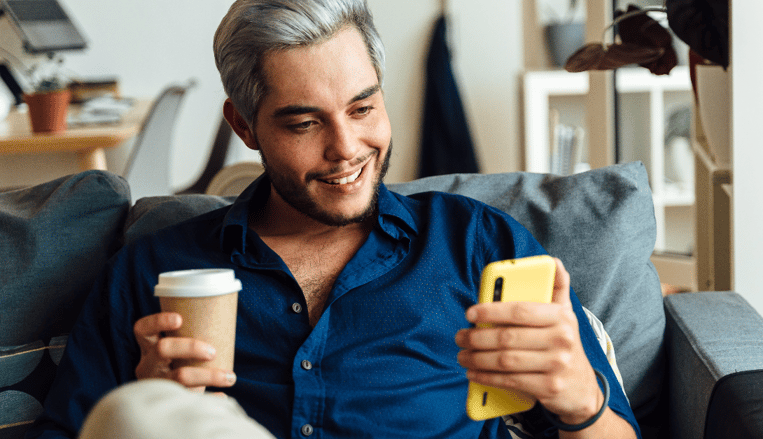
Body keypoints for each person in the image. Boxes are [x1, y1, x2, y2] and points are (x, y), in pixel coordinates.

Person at [27, 1, 640, 438]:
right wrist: (153, 398)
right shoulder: (157, 270)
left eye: (363, 107)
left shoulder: (478, 244)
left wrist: (581, 403)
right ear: (244, 126)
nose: (346, 147)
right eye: (303, 123)